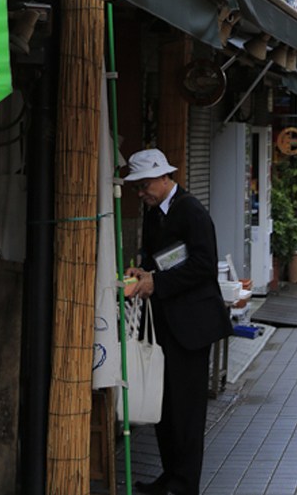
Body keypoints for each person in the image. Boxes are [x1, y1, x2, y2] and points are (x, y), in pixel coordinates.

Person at [124, 149, 231, 495]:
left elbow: (203, 264)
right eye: (137, 188)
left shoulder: (191, 210)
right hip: (168, 321)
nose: (141, 194)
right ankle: (170, 476)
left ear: (162, 177)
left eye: (143, 186)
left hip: (192, 326)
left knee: (186, 410)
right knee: (165, 405)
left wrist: (158, 282)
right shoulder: (156, 212)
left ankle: (185, 484)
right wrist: (144, 272)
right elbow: (159, 260)